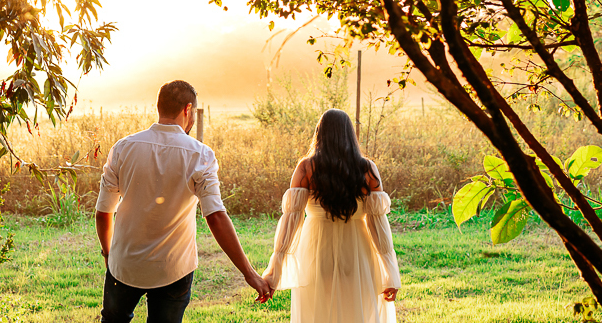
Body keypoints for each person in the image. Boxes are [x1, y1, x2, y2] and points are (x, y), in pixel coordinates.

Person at [95, 80, 272, 323]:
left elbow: (103, 211)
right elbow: (216, 216)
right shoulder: (201, 155)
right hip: (173, 268)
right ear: (187, 110)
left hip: (124, 264)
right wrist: (249, 274)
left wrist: (108, 253)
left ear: (159, 106)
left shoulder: (123, 148)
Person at [263, 108, 402, 323]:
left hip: (316, 251)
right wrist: (390, 273)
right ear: (350, 135)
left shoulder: (306, 167)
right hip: (357, 250)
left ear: (320, 133)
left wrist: (273, 274)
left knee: (318, 313)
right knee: (357, 312)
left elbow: (291, 223)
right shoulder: (367, 169)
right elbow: (378, 225)